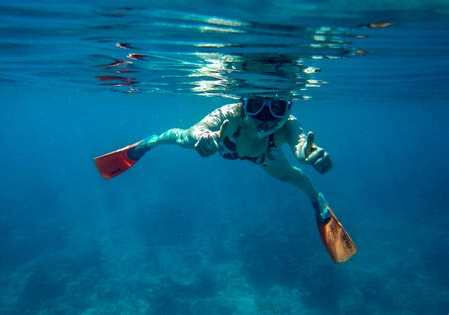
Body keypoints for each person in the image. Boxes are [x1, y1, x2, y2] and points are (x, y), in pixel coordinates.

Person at [94, 96, 357, 263]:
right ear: (244, 104)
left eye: (275, 107)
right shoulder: (230, 114)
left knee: (293, 176)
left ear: (287, 108)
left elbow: (301, 145)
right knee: (179, 137)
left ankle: (319, 203)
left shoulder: (289, 125)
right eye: (256, 105)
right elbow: (197, 129)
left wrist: (309, 154)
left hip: (264, 153)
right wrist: (201, 136)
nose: (264, 116)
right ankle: (145, 145)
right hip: (227, 144)